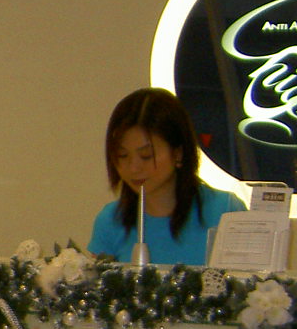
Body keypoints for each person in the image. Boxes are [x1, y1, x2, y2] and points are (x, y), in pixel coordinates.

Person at [87, 87, 244, 266]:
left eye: (146, 156)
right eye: (122, 155)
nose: (134, 168)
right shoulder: (111, 220)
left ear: (178, 153)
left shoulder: (226, 210)